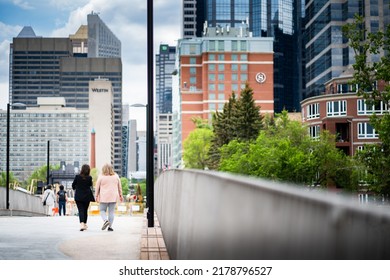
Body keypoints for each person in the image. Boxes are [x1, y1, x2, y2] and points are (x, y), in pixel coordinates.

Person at [95, 163, 123, 231]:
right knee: (111, 212)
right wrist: (120, 195)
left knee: (102, 210)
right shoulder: (116, 176)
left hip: (104, 197)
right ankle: (110, 227)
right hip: (113, 197)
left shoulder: (101, 176)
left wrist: (96, 195)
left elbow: (97, 187)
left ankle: (105, 220)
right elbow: (119, 187)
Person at [72, 164, 94, 231]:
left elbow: (73, 185)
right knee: (85, 210)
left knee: (80, 210)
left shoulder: (77, 177)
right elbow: (90, 185)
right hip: (87, 196)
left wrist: (77, 188)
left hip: (78, 196)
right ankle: (84, 224)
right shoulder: (89, 177)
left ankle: (82, 224)